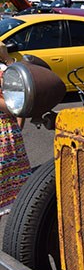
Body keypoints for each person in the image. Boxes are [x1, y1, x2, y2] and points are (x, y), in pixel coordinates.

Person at [0, 42, 31, 217]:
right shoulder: (4, 71)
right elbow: (18, 102)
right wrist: (7, 58)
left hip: (8, 134)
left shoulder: (5, 70)